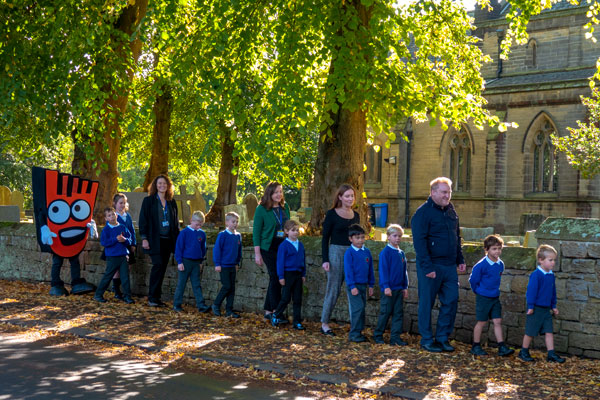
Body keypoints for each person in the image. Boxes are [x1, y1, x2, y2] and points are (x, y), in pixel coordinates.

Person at [411, 177, 466, 353]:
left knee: (451, 300)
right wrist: (427, 267)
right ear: (433, 192)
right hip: (431, 265)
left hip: (449, 266)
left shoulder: (451, 211)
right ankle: (426, 339)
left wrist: (460, 259)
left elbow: (456, 237)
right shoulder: (422, 213)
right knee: (426, 303)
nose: (447, 195)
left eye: (449, 192)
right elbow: (419, 243)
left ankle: (442, 338)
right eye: (443, 192)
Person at [320, 184, 360, 336]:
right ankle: (324, 323)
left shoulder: (356, 215)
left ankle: (355, 326)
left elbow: (357, 237)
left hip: (352, 254)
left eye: (352, 196)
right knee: (333, 288)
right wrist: (325, 259)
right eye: (347, 196)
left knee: (353, 288)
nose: (350, 199)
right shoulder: (332, 214)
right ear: (340, 197)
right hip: (336, 252)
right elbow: (325, 239)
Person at [518, 244, 565, 363]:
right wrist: (531, 306)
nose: (553, 263)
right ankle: (523, 351)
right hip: (536, 309)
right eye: (550, 260)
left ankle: (551, 354)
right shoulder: (536, 275)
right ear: (540, 260)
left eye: (554, 260)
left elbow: (552, 292)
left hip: (546, 309)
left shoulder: (551, 275)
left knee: (549, 331)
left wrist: (554, 306)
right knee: (530, 331)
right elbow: (531, 292)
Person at [469, 234, 514, 357]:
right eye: (494, 248)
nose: (497, 251)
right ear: (487, 249)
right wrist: (478, 291)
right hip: (483, 297)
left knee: (497, 320)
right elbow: (473, 280)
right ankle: (476, 345)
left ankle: (501, 346)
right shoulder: (481, 265)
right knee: (482, 321)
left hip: (495, 297)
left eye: (499, 248)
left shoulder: (500, 264)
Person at [139, 174, 180, 307]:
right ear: (155, 185)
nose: (162, 186)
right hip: (154, 240)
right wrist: (144, 238)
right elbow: (143, 221)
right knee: (157, 266)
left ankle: (156, 298)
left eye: (164, 184)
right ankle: (152, 297)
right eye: (159, 183)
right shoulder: (148, 201)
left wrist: (178, 241)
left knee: (162, 268)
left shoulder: (171, 202)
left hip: (168, 241)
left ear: (168, 186)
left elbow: (175, 223)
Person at [253, 182, 290, 319]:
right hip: (268, 248)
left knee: (276, 277)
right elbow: (256, 233)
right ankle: (276, 311)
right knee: (275, 276)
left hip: (283, 247)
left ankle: (268, 311)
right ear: (269, 194)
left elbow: (288, 226)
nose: (279, 194)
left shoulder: (285, 207)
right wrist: (257, 254)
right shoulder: (261, 209)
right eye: (276, 192)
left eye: (280, 191)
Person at [373, 224, 409, 346]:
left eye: (399, 236)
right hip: (389, 289)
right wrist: (386, 286)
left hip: (399, 289)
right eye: (394, 236)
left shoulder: (401, 253)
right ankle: (378, 335)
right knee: (385, 312)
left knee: (398, 314)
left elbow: (404, 271)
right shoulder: (385, 253)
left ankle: (395, 338)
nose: (397, 238)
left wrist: (405, 287)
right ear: (388, 237)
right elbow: (383, 271)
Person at [173, 211, 210, 313]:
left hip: (196, 262)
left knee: (196, 284)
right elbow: (179, 248)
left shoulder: (202, 234)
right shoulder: (184, 233)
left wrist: (201, 261)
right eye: (197, 224)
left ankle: (201, 305)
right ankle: (177, 304)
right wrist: (179, 262)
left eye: (200, 224)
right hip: (185, 261)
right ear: (191, 221)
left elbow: (203, 248)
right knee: (181, 284)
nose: (198, 226)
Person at [94, 207, 134, 304]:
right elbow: (104, 242)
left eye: (113, 214)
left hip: (123, 256)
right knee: (108, 276)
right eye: (109, 215)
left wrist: (124, 240)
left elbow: (130, 240)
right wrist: (115, 239)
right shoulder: (106, 230)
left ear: (116, 215)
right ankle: (98, 295)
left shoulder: (122, 227)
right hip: (112, 257)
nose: (112, 217)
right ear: (106, 219)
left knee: (125, 277)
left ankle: (127, 296)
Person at [271, 220, 306, 330]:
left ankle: (297, 321)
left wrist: (303, 274)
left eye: (297, 230)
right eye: (293, 230)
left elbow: (303, 260)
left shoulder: (300, 245)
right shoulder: (284, 245)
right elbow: (280, 262)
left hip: (298, 274)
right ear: (286, 231)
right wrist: (281, 276)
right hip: (288, 274)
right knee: (286, 297)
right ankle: (276, 314)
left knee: (297, 298)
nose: (295, 233)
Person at [344, 224, 375, 343]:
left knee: (362, 309)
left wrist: (371, 285)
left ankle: (359, 332)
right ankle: (354, 333)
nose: (360, 240)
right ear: (351, 239)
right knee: (357, 308)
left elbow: (370, 269)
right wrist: (352, 286)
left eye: (362, 237)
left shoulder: (366, 252)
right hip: (354, 286)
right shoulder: (349, 253)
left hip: (364, 284)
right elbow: (348, 271)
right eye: (357, 238)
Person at [212, 212, 243, 318]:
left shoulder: (238, 236)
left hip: (232, 265)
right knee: (227, 286)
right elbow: (217, 250)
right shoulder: (222, 235)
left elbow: (239, 251)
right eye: (233, 222)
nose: (235, 224)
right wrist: (217, 263)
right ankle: (216, 305)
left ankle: (229, 310)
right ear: (227, 222)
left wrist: (237, 262)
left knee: (232, 288)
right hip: (224, 265)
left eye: (237, 222)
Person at [111, 193, 137, 300]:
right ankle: (116, 290)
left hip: (128, 245)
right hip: (117, 247)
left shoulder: (128, 216)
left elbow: (132, 231)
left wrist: (133, 243)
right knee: (117, 269)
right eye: (120, 203)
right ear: (115, 204)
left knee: (128, 267)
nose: (122, 205)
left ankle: (122, 288)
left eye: (124, 203)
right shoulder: (113, 216)